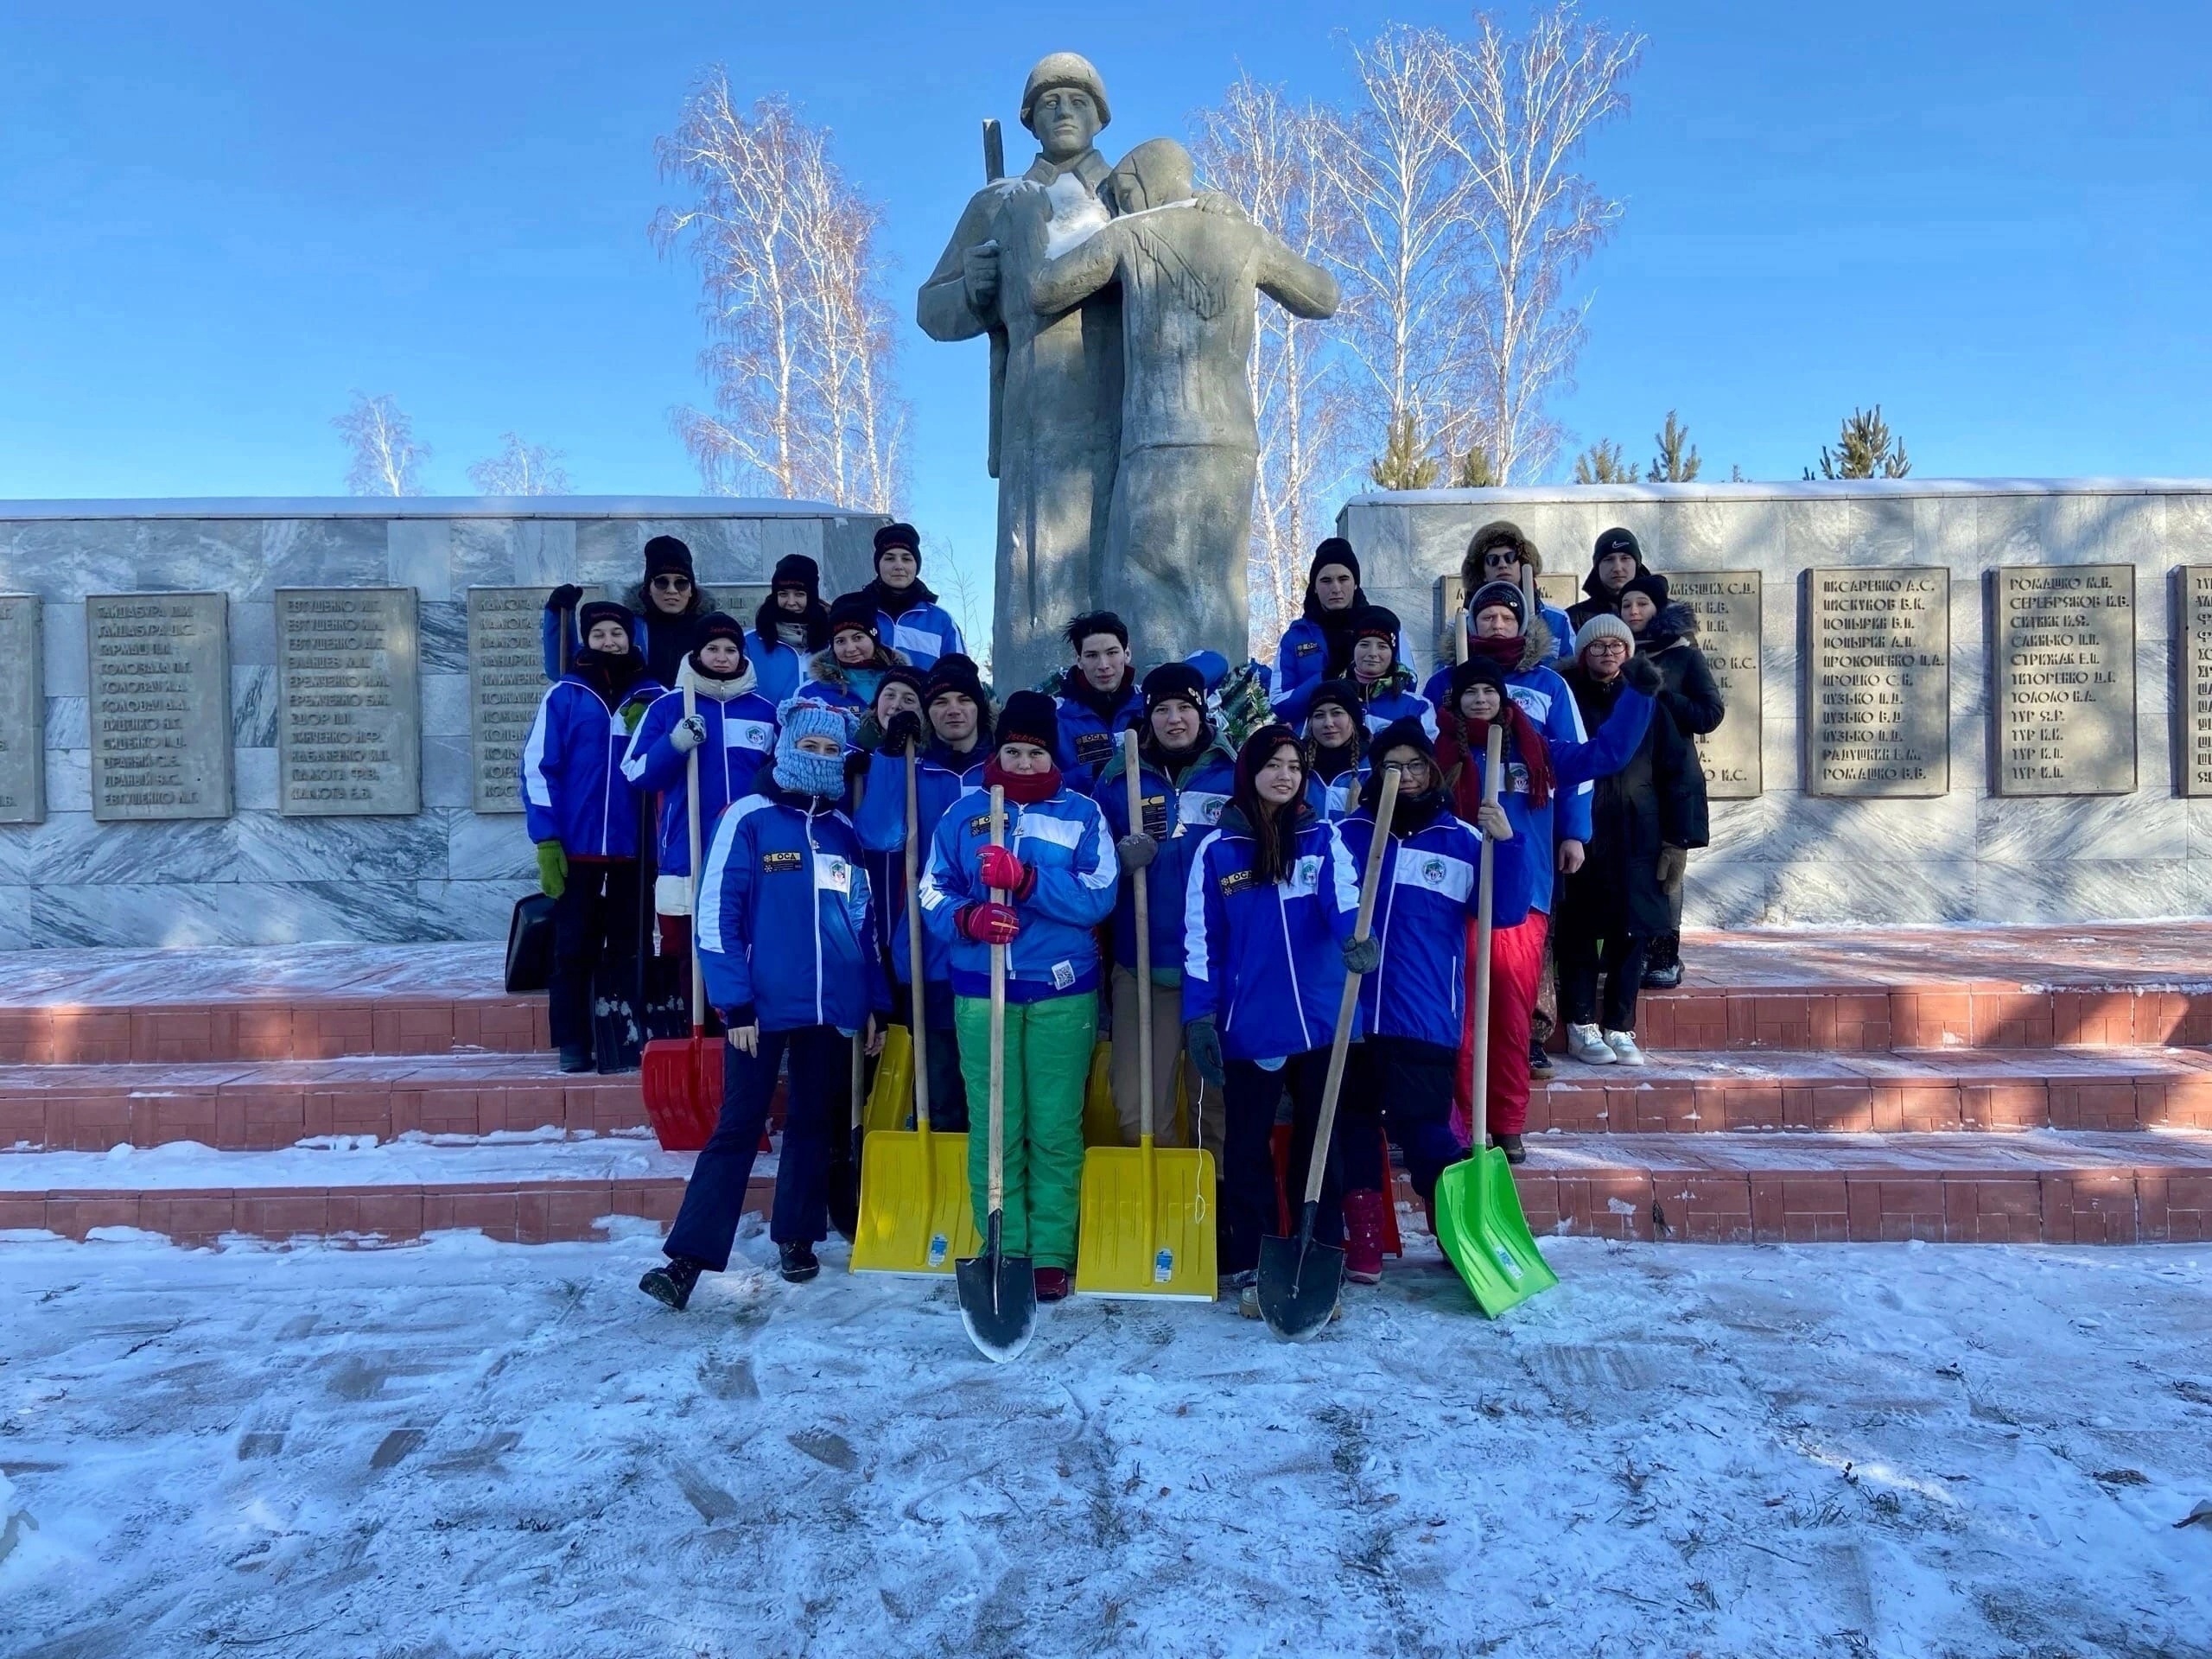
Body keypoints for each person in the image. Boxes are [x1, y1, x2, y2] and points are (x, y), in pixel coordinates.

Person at [638, 701, 890, 1309]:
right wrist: (735, 1002)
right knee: (738, 1126)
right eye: (809, 747)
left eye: (831, 751)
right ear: (785, 748)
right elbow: (716, 915)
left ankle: (797, 1236)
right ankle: (688, 1259)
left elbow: (863, 922)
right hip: (760, 1008)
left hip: (831, 1009)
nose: (820, 758)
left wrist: (873, 1000)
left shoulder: (843, 830)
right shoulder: (748, 817)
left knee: (812, 1124)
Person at [920, 690, 1117, 1304]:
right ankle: (1004, 1243)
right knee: (995, 1125)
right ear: (997, 752)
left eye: (1035, 753)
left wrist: (1028, 880)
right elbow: (932, 890)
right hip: (984, 991)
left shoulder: (1082, 813)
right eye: (1013, 751)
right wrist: (969, 918)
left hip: (1062, 990)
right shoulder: (963, 812)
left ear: (1051, 754)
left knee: (1055, 1125)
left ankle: (1052, 1251)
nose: (1024, 763)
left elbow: (1099, 894)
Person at [1435, 653, 1656, 1160]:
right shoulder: (1438, 754)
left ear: (1503, 698)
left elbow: (1607, 754)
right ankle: (1465, 1125)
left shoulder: (1538, 750)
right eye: (1471, 692)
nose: (1481, 700)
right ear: (1456, 700)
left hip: (1521, 901)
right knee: (1461, 1020)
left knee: (1511, 1019)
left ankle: (1507, 1123)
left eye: (1489, 692)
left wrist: (1639, 694)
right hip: (1456, 901)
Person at [1183, 726, 1363, 1319]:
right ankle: (1253, 1257)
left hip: (1320, 1020)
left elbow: (1344, 901)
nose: (1284, 775)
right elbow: (1202, 942)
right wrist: (1199, 1017)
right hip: (1251, 1022)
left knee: (1320, 1142)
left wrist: (1355, 939)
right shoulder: (1218, 850)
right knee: (1247, 1146)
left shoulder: (1322, 837)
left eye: (1293, 766)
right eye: (1273, 765)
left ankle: (1320, 1250)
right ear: (1250, 772)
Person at [1334, 719, 1518, 1282]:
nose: (1407, 776)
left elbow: (1506, 911)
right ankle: (1365, 1240)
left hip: (1424, 1014)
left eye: (1416, 765)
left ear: (1433, 770)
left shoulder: (1461, 839)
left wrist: (1507, 843)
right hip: (1350, 1014)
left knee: (1426, 1133)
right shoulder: (1346, 835)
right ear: (1376, 773)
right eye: (1393, 766)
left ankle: (1455, 1231)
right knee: (1352, 1128)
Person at [1421, 578, 1592, 1083]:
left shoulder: (1548, 684)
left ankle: (1527, 1041)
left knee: (1520, 960)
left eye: (1507, 617)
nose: (1497, 625)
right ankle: (1458, 1081)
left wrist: (1574, 832)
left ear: (1523, 624)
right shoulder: (1443, 683)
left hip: (1526, 848)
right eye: (1487, 617)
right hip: (1457, 851)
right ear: (1472, 623)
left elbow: (1575, 763)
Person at [1096, 662, 1236, 1155]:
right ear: (1147, 716)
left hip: (1216, 969)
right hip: (1143, 967)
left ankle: (1213, 1194)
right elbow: (1090, 865)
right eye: (1162, 710)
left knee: (1214, 1108)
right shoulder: (1119, 779)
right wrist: (1118, 860)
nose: (1174, 719)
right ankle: (1167, 1188)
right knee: (1138, 1113)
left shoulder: (1233, 775)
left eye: (1184, 707)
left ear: (1202, 711)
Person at [520, 602, 665, 1073]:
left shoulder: (655, 695)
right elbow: (539, 768)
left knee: (630, 943)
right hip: (577, 846)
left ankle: (623, 1035)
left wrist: (650, 730)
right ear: (586, 640)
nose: (609, 642)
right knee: (573, 945)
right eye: (599, 634)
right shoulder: (565, 695)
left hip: (635, 844)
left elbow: (671, 767)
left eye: (616, 634)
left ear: (631, 638)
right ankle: (573, 1039)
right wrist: (546, 838)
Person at [1555, 615, 1707, 1068]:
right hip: (1582, 832)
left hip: (1638, 834)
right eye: (1597, 646)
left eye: (1616, 646)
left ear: (1628, 652)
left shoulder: (1647, 700)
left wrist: (1679, 839)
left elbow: (1679, 771)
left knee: (1631, 932)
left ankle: (1620, 1026)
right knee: (1579, 931)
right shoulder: (1568, 698)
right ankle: (1581, 1024)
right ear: (1583, 652)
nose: (1607, 653)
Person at [855, 654, 993, 1129]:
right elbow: (880, 833)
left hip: (998, 946)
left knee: (993, 1081)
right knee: (941, 1081)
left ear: (979, 708)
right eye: (940, 702)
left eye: (963, 700)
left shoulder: (1002, 767)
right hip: (929, 945)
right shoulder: (916, 769)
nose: (953, 709)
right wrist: (892, 756)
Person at [620, 613, 781, 963]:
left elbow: (781, 775)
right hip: (687, 845)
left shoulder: (765, 712)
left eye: (731, 650)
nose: (722, 657)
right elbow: (635, 772)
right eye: (712, 648)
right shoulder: (668, 707)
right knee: (687, 953)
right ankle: (688, 1001)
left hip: (751, 845)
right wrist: (674, 744)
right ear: (696, 653)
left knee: (749, 944)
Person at [1616, 572, 1724, 990]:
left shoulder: (1683, 655)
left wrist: (1658, 693)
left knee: (1667, 869)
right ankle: (1633, 953)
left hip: (1671, 781)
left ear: (1658, 608)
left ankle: (1665, 955)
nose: (1634, 611)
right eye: (1626, 605)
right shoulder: (1614, 653)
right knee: (1629, 868)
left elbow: (1709, 714)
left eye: (1642, 603)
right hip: (1625, 779)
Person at [542, 535, 716, 688]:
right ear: (648, 588)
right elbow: (565, 669)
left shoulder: (711, 631)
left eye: (681, 583)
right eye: (662, 582)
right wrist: (558, 614)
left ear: (691, 589)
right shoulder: (626, 629)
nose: (672, 590)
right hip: (638, 714)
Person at [1433, 522, 1573, 674]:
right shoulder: (1463, 628)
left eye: (1510, 557)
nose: (1502, 565)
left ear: (1523, 564)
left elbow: (1574, 673)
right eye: (1492, 560)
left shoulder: (1557, 620)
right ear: (1482, 572)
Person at [1271, 538, 1371, 715]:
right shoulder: (1295, 637)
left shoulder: (1383, 627)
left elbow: (1406, 683)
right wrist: (1326, 678)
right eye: (1326, 581)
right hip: (1316, 729)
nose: (1336, 588)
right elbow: (1279, 703)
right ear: (1315, 588)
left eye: (1343, 579)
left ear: (1355, 583)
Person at [1053, 611, 1144, 792]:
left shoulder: (1149, 706)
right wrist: (1095, 773)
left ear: (1127, 654)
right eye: (1092, 655)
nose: (1103, 665)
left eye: (1112, 653)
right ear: (1079, 660)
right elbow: (1037, 779)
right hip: (1082, 810)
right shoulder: (1056, 715)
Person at [860, 523, 966, 671]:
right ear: (878, 565)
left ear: (916, 566)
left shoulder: (941, 620)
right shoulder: (858, 613)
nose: (899, 566)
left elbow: (960, 675)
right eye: (890, 558)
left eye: (906, 559)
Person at [805, 593, 909, 719]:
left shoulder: (906, 684)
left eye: (858, 638)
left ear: (874, 639)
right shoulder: (812, 693)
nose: (850, 649)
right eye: (840, 641)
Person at [746, 554, 830, 707]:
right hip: (768, 722)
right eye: (783, 594)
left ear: (812, 596)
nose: (791, 602)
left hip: (822, 722)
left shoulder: (832, 641)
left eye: (799, 594)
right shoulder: (749, 643)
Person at [1338, 606, 1434, 736]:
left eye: (1382, 647)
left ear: (1393, 653)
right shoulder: (1331, 697)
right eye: (1364, 645)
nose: (1372, 653)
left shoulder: (1417, 706)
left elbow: (1429, 747)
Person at [1300, 680, 1369, 819]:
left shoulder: (1372, 767)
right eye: (1319, 715)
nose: (1328, 723)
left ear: (1353, 718)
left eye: (1337, 713)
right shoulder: (1297, 765)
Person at [1566, 526, 1651, 634]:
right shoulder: (1574, 620)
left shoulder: (1663, 614)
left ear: (1637, 564)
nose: (1617, 568)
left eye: (1625, 558)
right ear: (1597, 567)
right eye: (1609, 559)